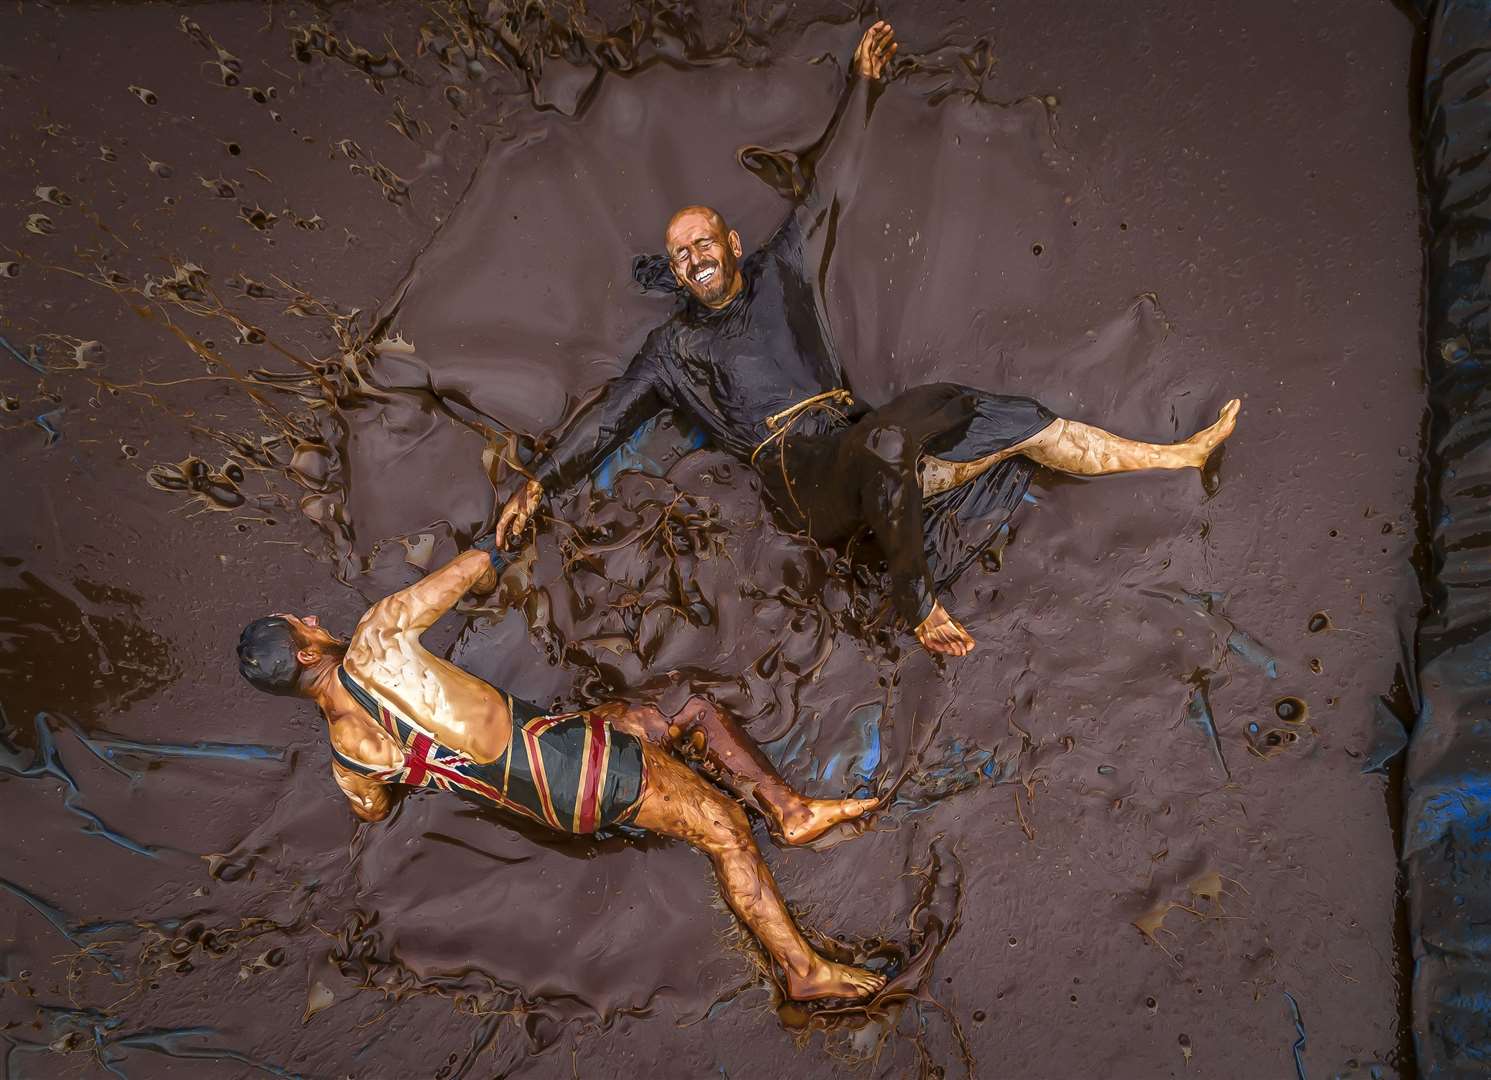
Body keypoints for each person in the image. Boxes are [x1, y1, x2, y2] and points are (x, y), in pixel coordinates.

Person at [493, 20, 1239, 657]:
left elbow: (828, 187)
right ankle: (918, 606)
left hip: (852, 429)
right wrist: (539, 479)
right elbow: (610, 413)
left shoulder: (780, 271)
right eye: (681, 256)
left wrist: (863, 88)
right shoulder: (673, 351)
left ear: (727, 239)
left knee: (996, 413)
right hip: (798, 475)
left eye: (702, 243)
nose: (695, 260)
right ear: (680, 274)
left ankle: (1177, 454)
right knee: (887, 447)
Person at [236, 546, 885, 1001]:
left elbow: (374, 810)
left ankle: (792, 811)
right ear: (304, 650)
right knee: (725, 829)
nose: (317, 619)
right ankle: (800, 968)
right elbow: (471, 567)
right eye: (306, 625)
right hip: (579, 769)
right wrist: (500, 536)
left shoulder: (347, 761)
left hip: (545, 787)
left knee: (682, 708)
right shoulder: (376, 640)